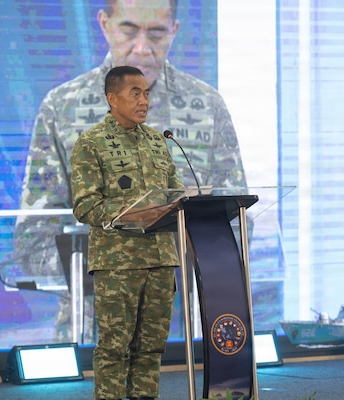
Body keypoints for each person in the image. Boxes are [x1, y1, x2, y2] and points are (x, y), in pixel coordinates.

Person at [16, 0, 247, 343]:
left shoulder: (207, 106)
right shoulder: (62, 107)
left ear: (174, 31)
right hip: (91, 332)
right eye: (128, 30)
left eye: (156, 33)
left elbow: (238, 223)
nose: (141, 48)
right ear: (104, 25)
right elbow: (31, 240)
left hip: (188, 333)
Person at [71, 65, 182, 400]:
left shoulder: (158, 141)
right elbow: (85, 206)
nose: (144, 101)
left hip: (160, 259)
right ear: (112, 98)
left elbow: (175, 193)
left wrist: (182, 202)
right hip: (118, 265)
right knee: (114, 348)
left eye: (146, 93)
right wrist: (132, 213)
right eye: (135, 93)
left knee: (151, 348)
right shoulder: (91, 143)